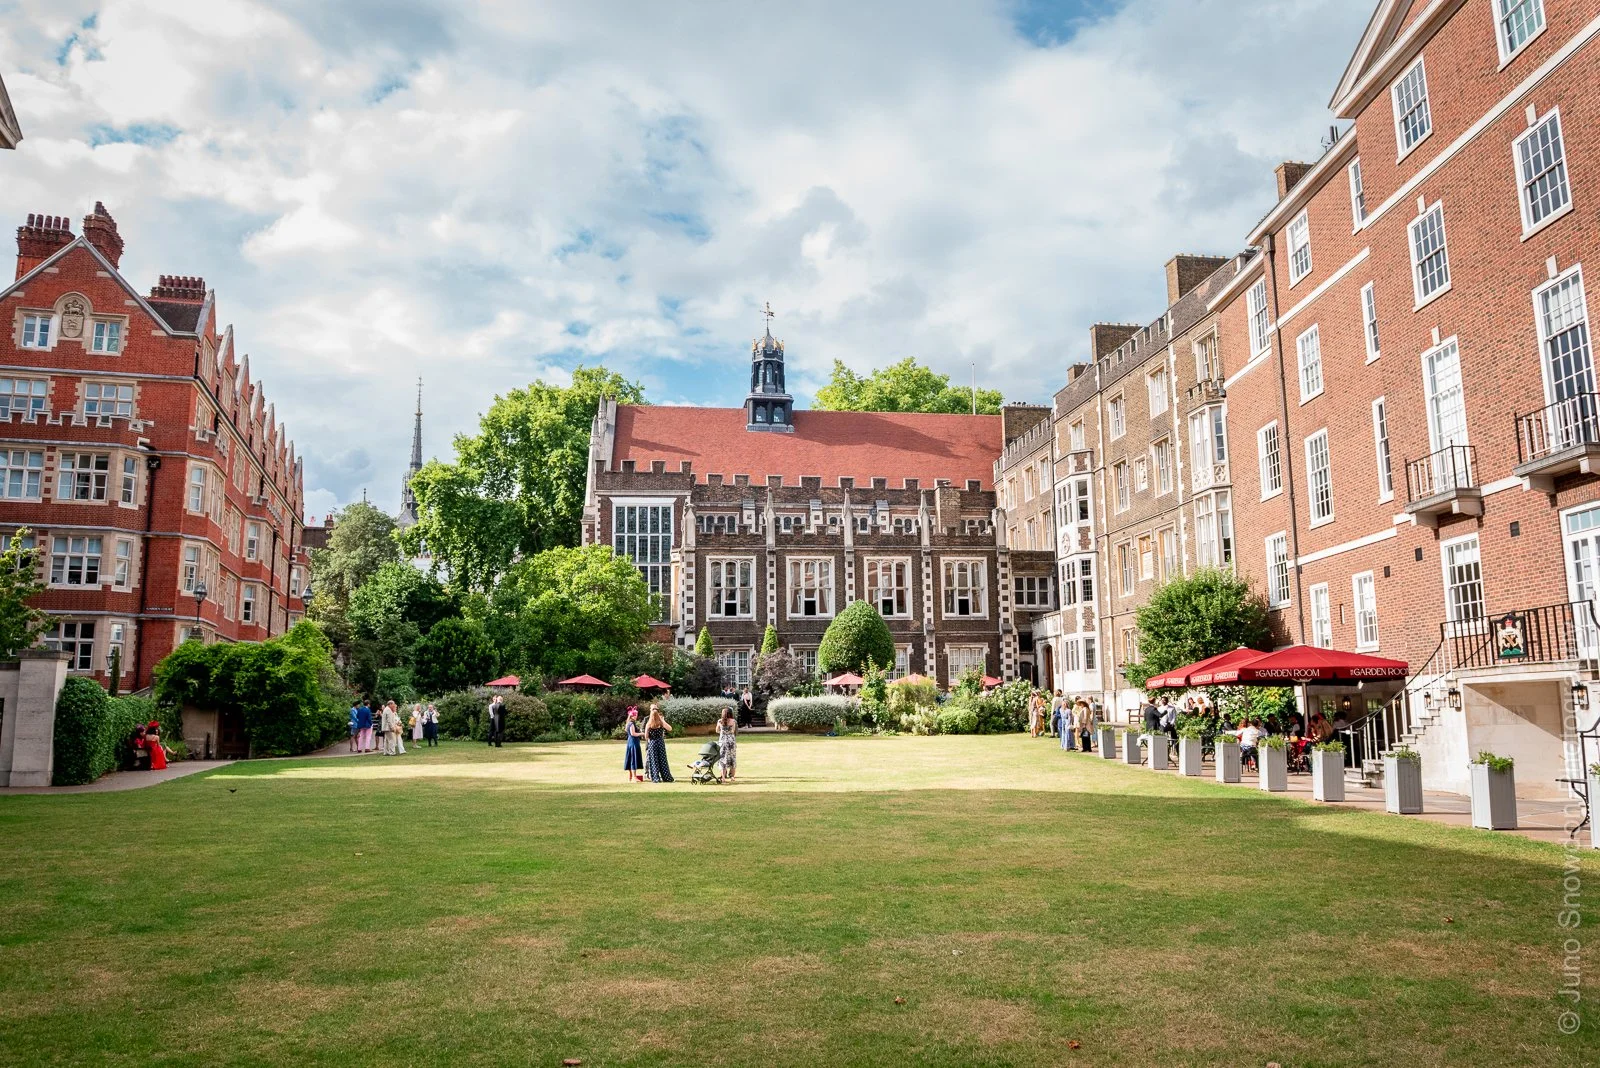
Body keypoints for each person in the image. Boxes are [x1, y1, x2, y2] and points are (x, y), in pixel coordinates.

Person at [644, 704, 674, 782]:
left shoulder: (649, 724)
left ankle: (656, 778)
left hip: (652, 743)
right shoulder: (661, 723)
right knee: (663, 760)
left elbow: (646, 736)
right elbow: (670, 729)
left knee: (654, 761)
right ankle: (666, 777)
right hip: (660, 742)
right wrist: (663, 720)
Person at [623, 708, 645, 781]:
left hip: (630, 742)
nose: (636, 716)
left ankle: (631, 775)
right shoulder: (631, 723)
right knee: (633, 759)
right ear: (632, 716)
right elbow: (633, 734)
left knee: (630, 758)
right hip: (633, 742)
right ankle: (634, 777)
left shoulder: (629, 723)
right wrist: (642, 734)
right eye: (635, 715)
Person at [718, 707, 738, 782]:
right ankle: (732, 777)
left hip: (722, 741)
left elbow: (717, 730)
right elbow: (733, 731)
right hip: (731, 741)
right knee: (732, 758)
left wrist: (723, 731)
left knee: (723, 759)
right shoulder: (733, 721)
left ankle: (723, 778)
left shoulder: (719, 721)